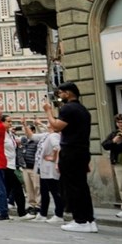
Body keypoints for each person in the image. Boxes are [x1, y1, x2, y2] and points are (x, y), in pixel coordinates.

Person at [42, 82, 97, 233]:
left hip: (71, 151)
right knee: (81, 186)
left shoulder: (68, 108)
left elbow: (56, 126)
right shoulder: (83, 109)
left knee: (72, 187)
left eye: (60, 93)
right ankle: (89, 220)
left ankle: (80, 221)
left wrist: (48, 111)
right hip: (82, 150)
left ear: (68, 93)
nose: (59, 96)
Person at [29, 119, 64, 223]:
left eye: (50, 123)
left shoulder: (53, 136)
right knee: (44, 192)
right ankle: (43, 213)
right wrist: (28, 125)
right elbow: (34, 135)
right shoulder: (48, 134)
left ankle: (59, 215)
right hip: (44, 169)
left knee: (54, 191)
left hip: (50, 169)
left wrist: (53, 158)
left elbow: (57, 147)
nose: (47, 124)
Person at [2, 116, 29, 219]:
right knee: (16, 188)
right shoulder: (1, 134)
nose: (10, 123)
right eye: (8, 121)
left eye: (11, 121)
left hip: (12, 165)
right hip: (6, 165)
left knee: (8, 189)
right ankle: (21, 212)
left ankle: (2, 210)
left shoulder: (10, 134)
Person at [101, 113, 122, 219]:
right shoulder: (114, 134)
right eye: (118, 122)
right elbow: (105, 145)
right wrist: (113, 141)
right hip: (119, 164)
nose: (120, 124)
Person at [20, 124, 41, 215]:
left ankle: (38, 205)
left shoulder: (36, 141)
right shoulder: (25, 141)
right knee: (28, 188)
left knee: (37, 187)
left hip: (34, 167)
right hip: (26, 167)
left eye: (27, 130)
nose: (26, 132)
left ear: (33, 131)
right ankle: (31, 204)